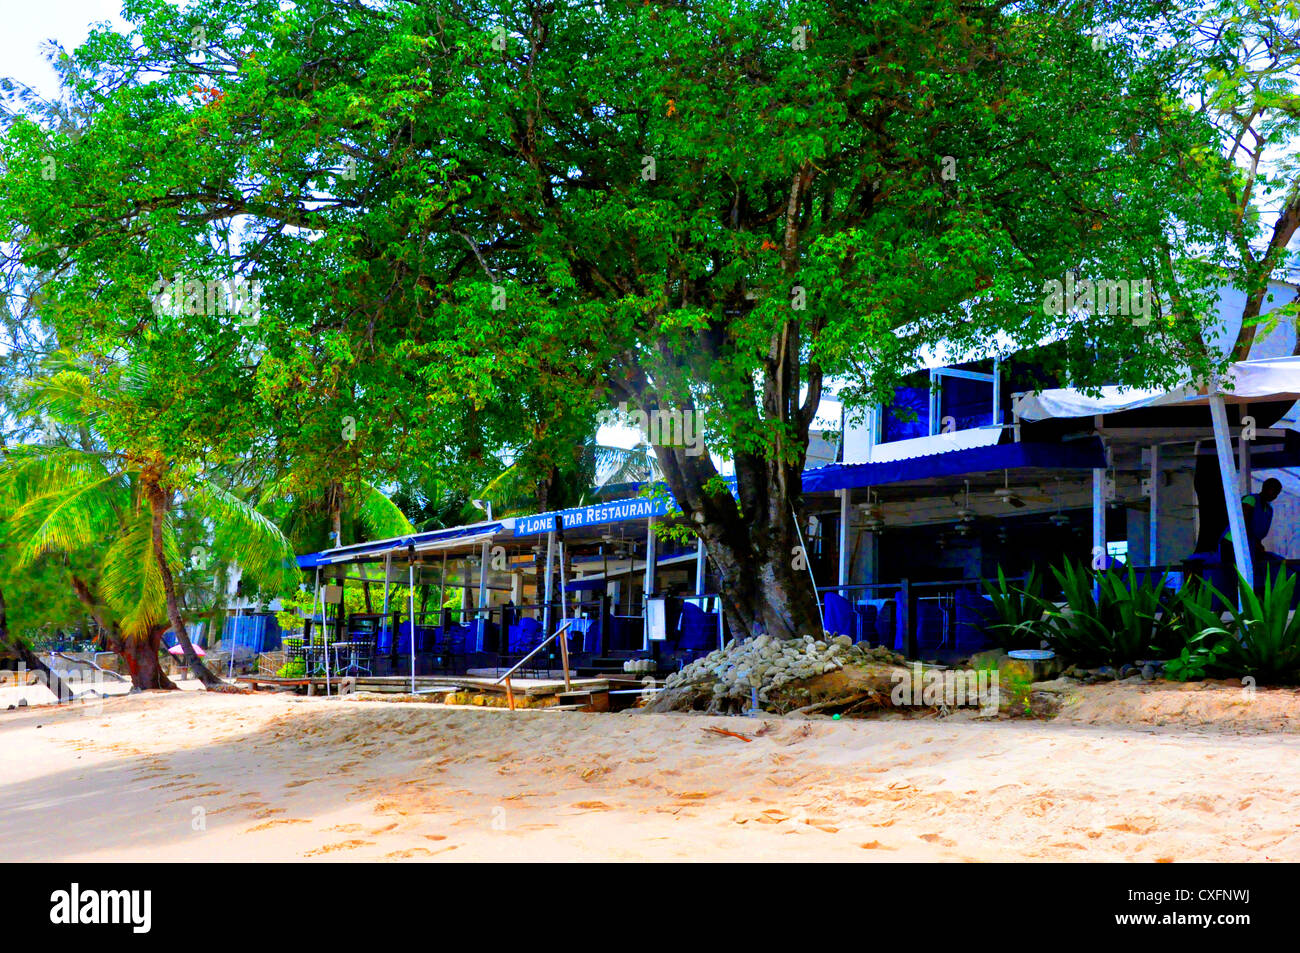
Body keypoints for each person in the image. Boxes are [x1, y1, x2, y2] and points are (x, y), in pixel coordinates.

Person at [1219, 478, 1283, 583]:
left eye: (1277, 493)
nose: (1275, 495)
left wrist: (1257, 543)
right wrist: (1256, 542)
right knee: (1233, 576)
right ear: (1266, 488)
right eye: (1274, 491)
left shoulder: (1268, 508)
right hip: (1232, 543)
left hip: (1249, 543)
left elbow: (1257, 531)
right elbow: (1243, 523)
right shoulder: (1251, 499)